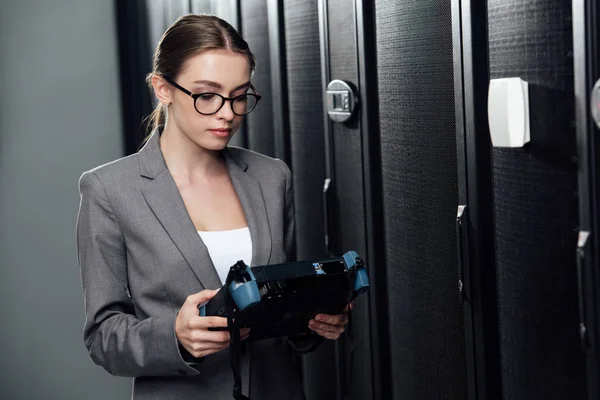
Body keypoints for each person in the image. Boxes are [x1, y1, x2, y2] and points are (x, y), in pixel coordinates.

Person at [76, 14, 349, 399]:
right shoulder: (108, 190)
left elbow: (279, 307)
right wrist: (175, 335)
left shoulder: (272, 177)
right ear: (162, 88)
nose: (227, 112)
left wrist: (314, 319)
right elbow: (103, 337)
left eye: (239, 95)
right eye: (207, 95)